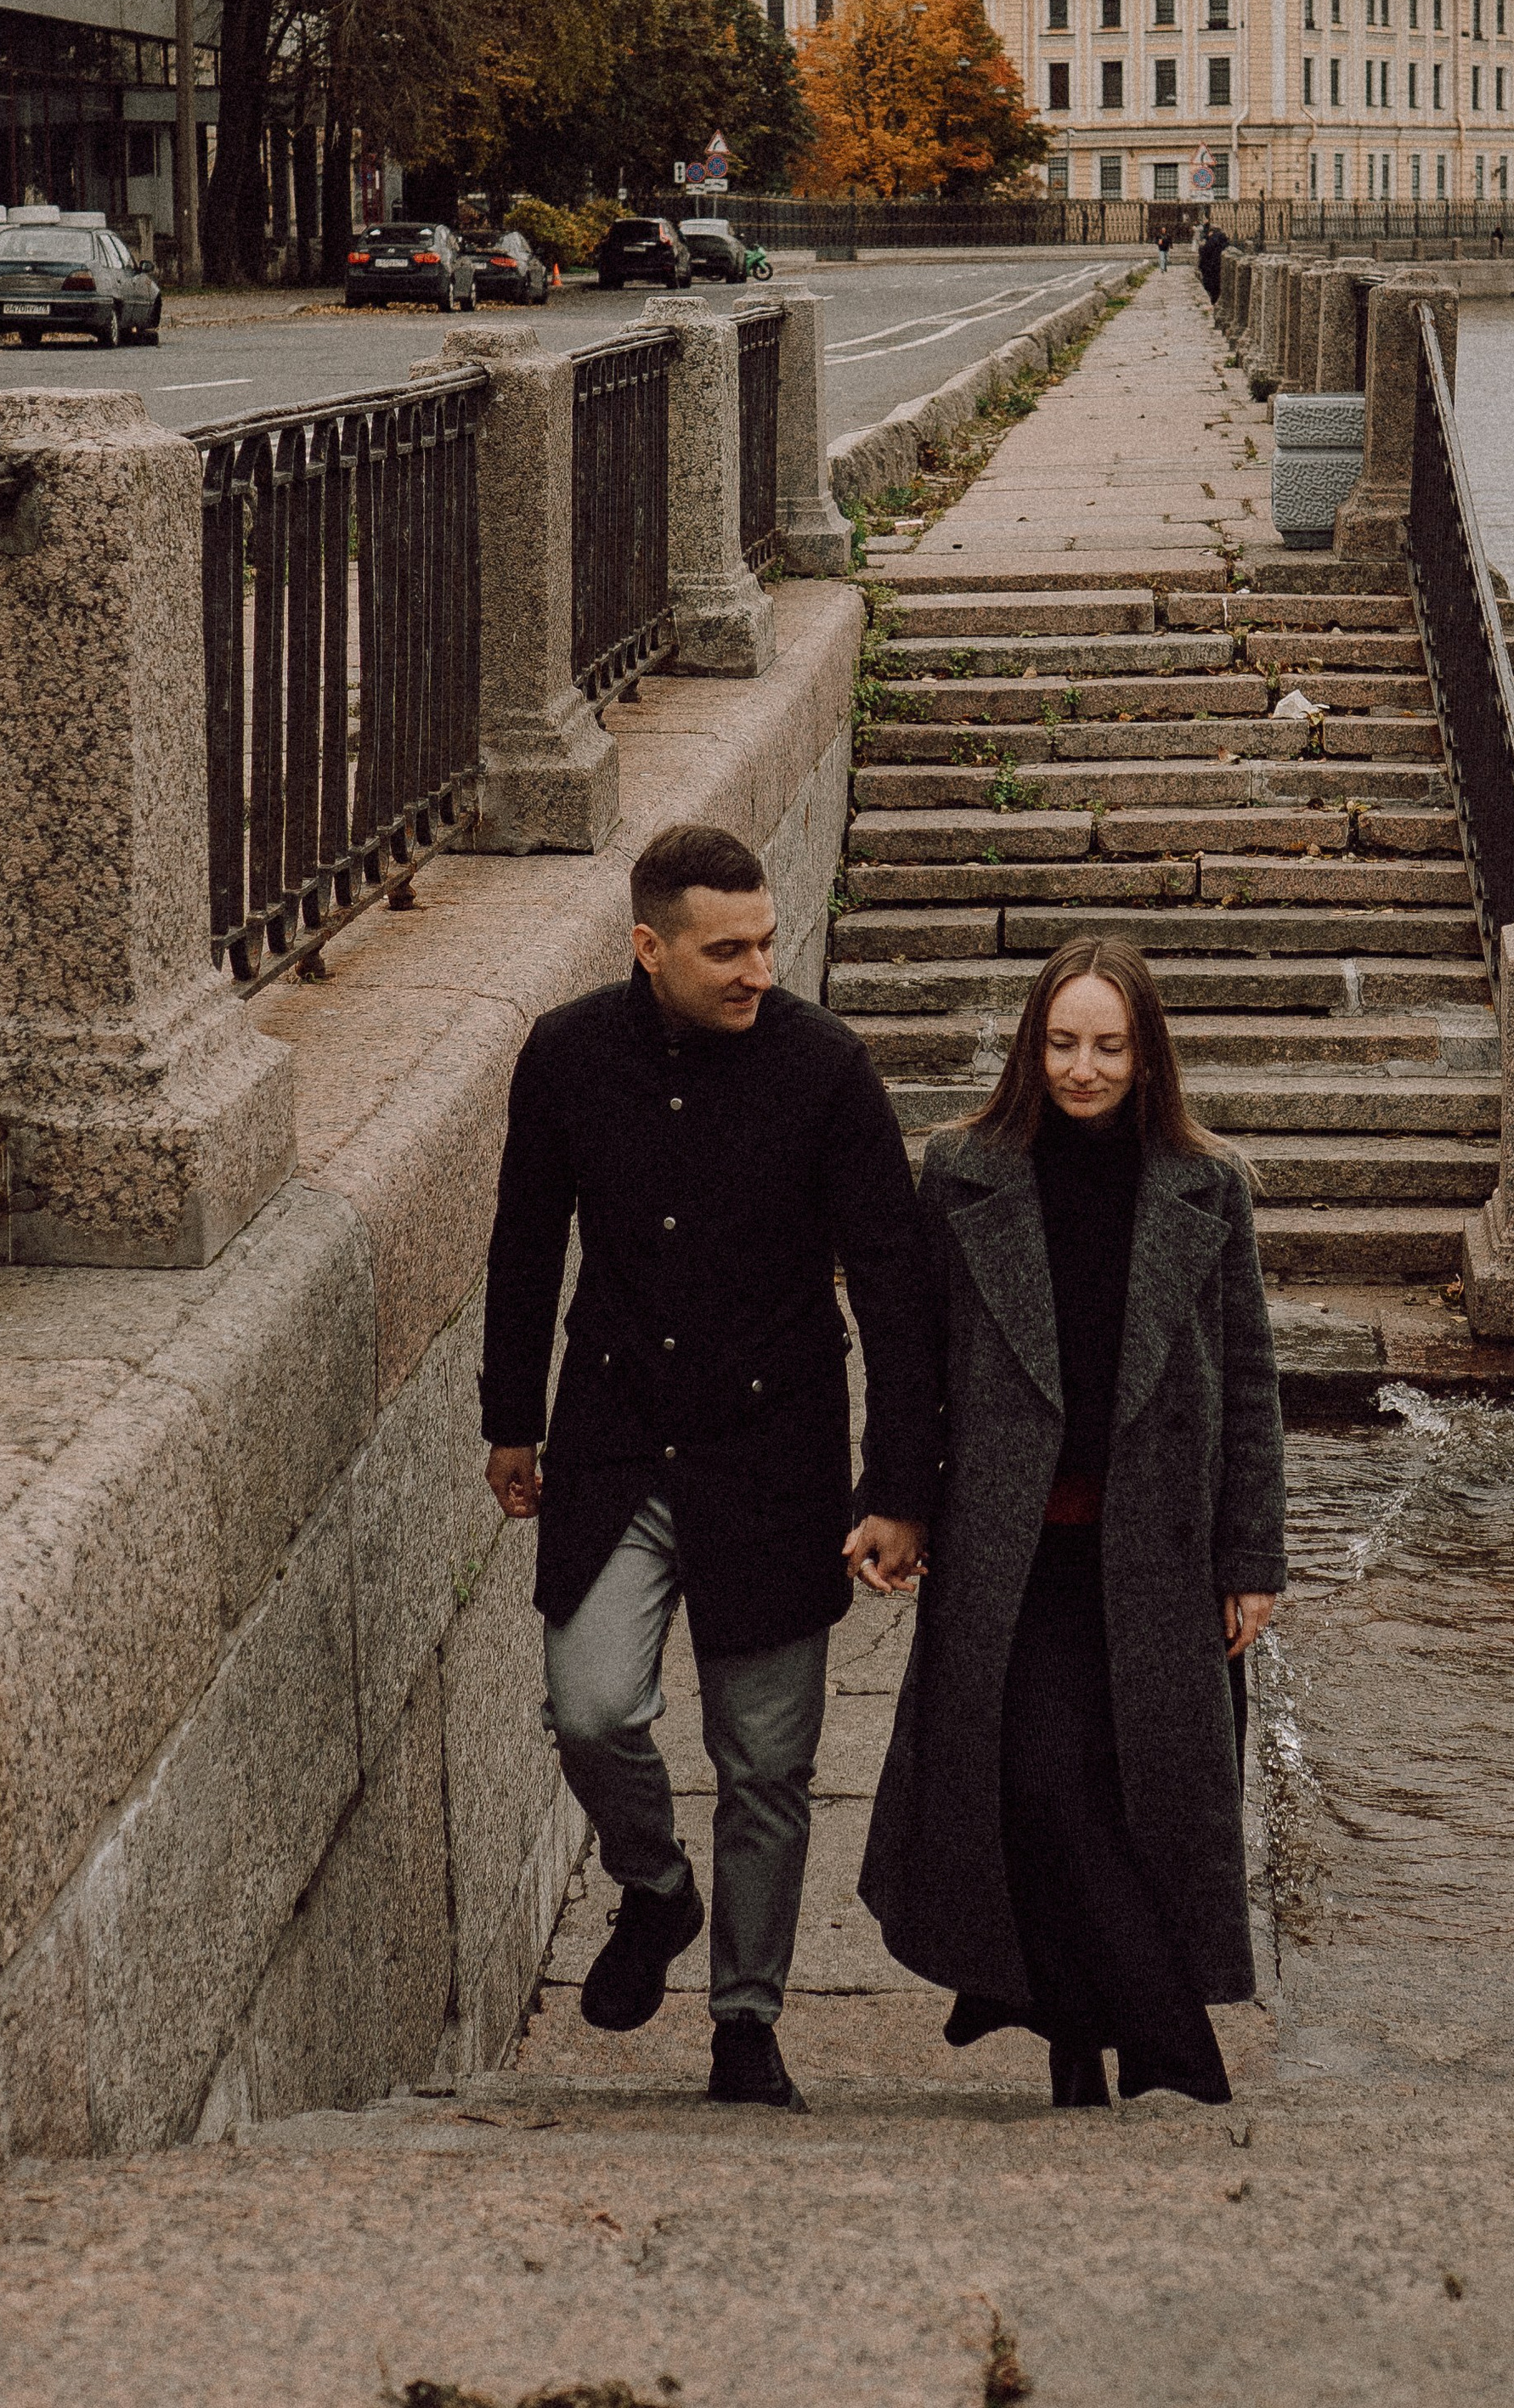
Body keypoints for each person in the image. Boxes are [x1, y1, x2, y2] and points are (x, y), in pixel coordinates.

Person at [480, 821, 938, 2113]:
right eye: (724, 949)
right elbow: (526, 1245)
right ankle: (657, 1888)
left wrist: (901, 1488)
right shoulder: (568, 1057)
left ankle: (748, 2020)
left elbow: (896, 1287)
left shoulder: (827, 1070)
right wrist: (509, 1421)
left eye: (767, 943)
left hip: (775, 1457)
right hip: (619, 1442)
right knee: (592, 1706)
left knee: (766, 1766)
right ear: (649, 948)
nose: (755, 969)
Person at [859, 936, 1284, 2108]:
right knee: (1036, 1783)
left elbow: (1249, 1379)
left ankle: (1075, 2053)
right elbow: (914, 1362)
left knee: (1126, 1799)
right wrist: (894, 1501)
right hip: (1017, 1553)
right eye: (1061, 1042)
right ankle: (1175, 2049)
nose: (1082, 1068)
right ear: (1029, 1044)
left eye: (1107, 1045)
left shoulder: (1208, 1187)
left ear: (1149, 1055)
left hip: (1155, 1556)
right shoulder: (963, 1173)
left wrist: (1251, 1559)